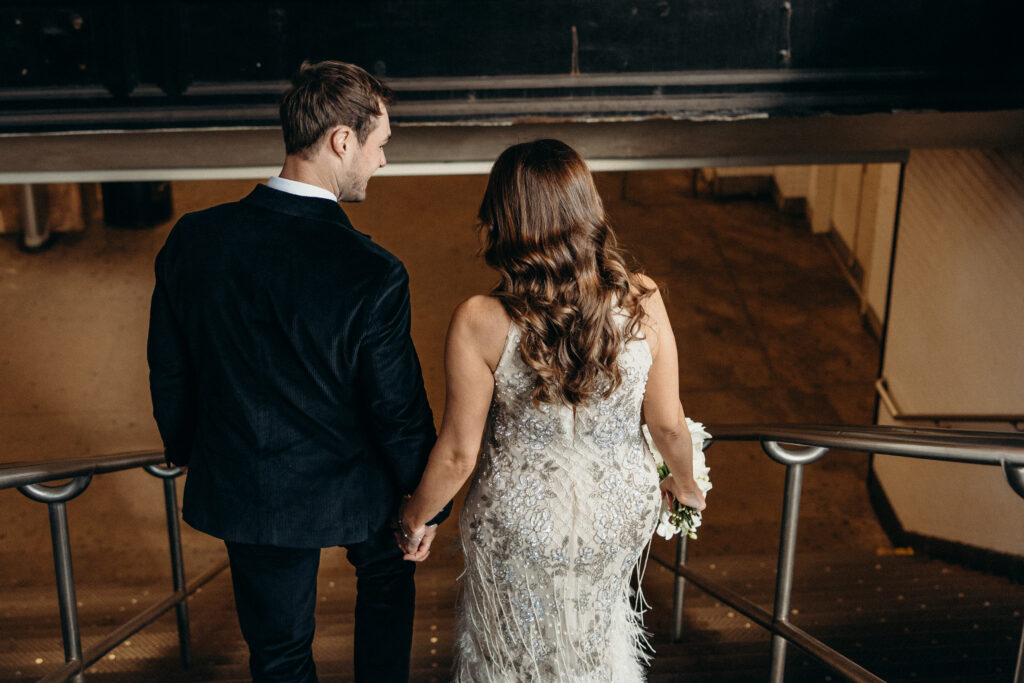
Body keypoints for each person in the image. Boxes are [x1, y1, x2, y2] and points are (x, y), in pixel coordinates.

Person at [147, 60, 446, 683]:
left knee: (278, 655)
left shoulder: (194, 240)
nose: (383, 162)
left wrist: (187, 448)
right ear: (343, 139)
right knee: (387, 580)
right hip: (356, 483)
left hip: (251, 481)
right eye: (381, 144)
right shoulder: (372, 271)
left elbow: (169, 365)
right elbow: (396, 407)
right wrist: (425, 506)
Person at [396, 139, 707, 681]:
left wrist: (416, 517)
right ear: (588, 210)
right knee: (591, 640)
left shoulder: (479, 319)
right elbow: (667, 424)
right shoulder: (641, 298)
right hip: (616, 514)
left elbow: (458, 454)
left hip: (520, 518)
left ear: (503, 218)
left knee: (509, 655)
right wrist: (685, 487)